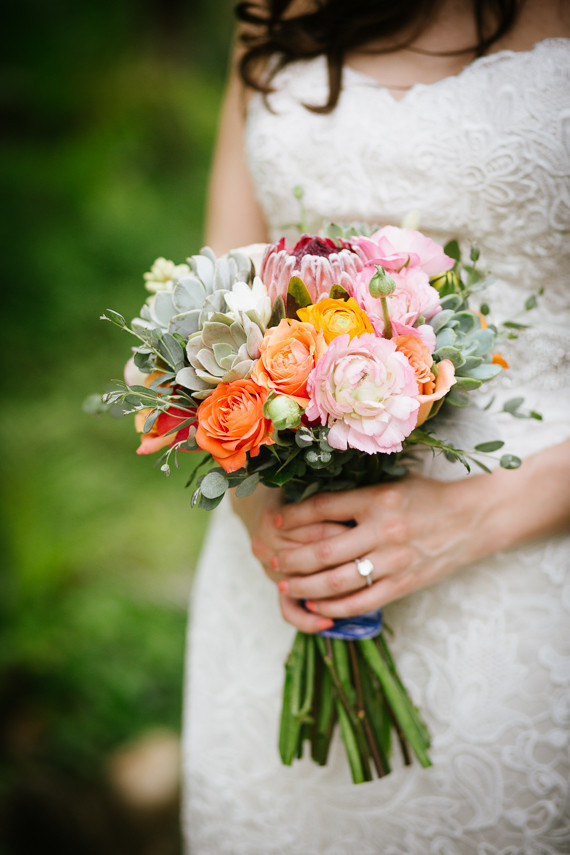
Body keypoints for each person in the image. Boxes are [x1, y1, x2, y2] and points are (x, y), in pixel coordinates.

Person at [182, 1, 570, 852]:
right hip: (278, 567)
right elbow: (226, 268)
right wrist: (258, 490)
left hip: (531, 574)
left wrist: (470, 518)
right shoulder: (276, 9)